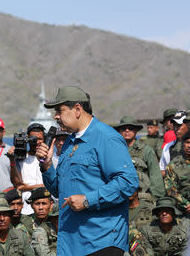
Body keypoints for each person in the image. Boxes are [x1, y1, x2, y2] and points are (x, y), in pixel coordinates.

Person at [38, 86, 139, 255]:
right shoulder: (69, 143)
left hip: (101, 242)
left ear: (77, 109)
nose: (55, 116)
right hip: (71, 243)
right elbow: (60, 191)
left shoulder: (106, 137)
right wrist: (47, 166)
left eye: (59, 110)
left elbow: (128, 182)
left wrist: (87, 200)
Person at [114, 116, 165, 199]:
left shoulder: (146, 150)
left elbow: (155, 175)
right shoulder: (113, 151)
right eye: (123, 128)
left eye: (130, 128)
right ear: (119, 131)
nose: (127, 130)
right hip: (118, 197)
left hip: (141, 197)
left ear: (136, 131)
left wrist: (157, 197)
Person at [9, 122, 45, 215]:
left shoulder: (50, 158)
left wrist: (27, 187)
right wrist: (12, 159)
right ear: (27, 139)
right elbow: (18, 185)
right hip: (26, 209)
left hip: (46, 208)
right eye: (33, 139)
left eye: (40, 139)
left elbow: (54, 185)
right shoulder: (21, 159)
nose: (37, 142)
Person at [164, 131, 190, 214]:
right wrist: (186, 204)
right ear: (183, 144)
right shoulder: (173, 165)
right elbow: (171, 189)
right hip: (182, 209)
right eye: (187, 142)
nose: (189, 146)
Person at [27, 187, 57, 256]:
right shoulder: (25, 223)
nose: (40, 208)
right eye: (37, 204)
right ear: (31, 205)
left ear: (51, 204)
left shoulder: (56, 221)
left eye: (44, 203)